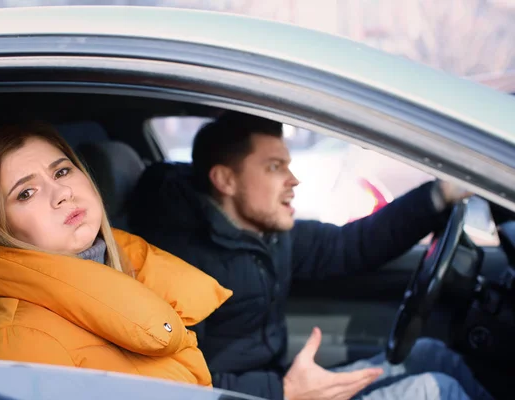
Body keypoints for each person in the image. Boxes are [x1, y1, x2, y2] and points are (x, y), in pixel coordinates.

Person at [129, 112, 493, 399]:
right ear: (225, 180)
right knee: (436, 391)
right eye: (275, 167)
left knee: (431, 355)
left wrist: (437, 196)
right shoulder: (176, 265)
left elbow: (353, 246)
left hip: (283, 385)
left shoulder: (267, 236)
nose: (294, 179)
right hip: (261, 395)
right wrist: (284, 393)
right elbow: (175, 383)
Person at [0, 121, 232, 386]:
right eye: (26, 193)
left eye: (61, 171)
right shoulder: (17, 341)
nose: (62, 192)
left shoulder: (134, 271)